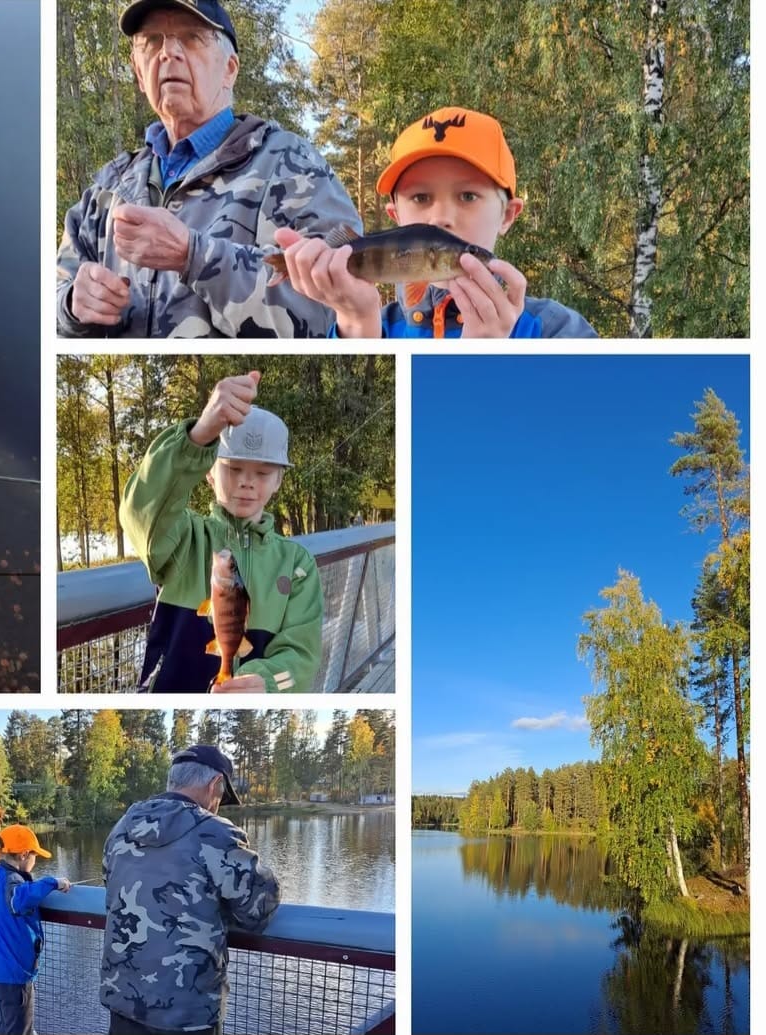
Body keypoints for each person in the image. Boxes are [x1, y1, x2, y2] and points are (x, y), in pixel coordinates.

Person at [56, 0, 361, 338]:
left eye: (191, 37)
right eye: (152, 41)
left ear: (230, 69)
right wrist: (70, 305)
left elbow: (334, 313)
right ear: (138, 72)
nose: (168, 52)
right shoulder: (108, 187)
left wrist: (195, 256)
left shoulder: (292, 164)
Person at [273, 106, 598, 338]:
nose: (440, 217)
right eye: (421, 198)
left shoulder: (558, 332)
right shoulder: (374, 326)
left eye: (468, 196)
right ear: (396, 217)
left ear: (508, 215)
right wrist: (356, 322)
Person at [119, 370, 322, 691]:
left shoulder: (298, 564)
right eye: (233, 468)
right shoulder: (183, 537)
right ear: (209, 472)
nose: (246, 481)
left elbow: (302, 655)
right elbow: (139, 510)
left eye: (263, 472)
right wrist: (198, 437)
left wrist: (267, 683)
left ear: (279, 480)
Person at [101, 746, 280, 1035]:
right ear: (215, 786)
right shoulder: (217, 833)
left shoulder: (122, 827)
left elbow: (109, 885)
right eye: (222, 796)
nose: (219, 804)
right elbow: (259, 909)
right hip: (187, 1014)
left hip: (124, 1001)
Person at [0, 825, 73, 1035]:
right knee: (19, 1029)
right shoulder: (11, 882)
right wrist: (53, 882)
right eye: (35, 856)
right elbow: (19, 900)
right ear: (24, 855)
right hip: (14, 974)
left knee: (7, 1026)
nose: (36, 861)